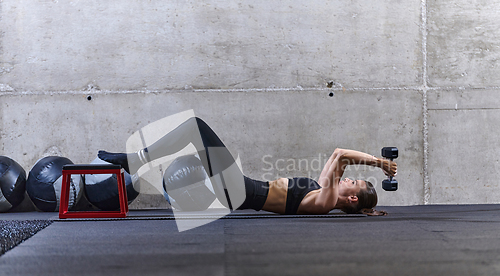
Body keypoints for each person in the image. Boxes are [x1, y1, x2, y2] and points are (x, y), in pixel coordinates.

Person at [98, 117, 397, 216]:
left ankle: (135, 159)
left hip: (239, 191)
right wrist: (376, 163)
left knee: (195, 127)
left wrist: (379, 162)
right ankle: (136, 159)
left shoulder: (327, 200)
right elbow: (336, 156)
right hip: (238, 189)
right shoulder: (322, 190)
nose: (347, 179)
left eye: (353, 182)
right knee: (195, 130)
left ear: (353, 198)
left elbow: (343, 156)